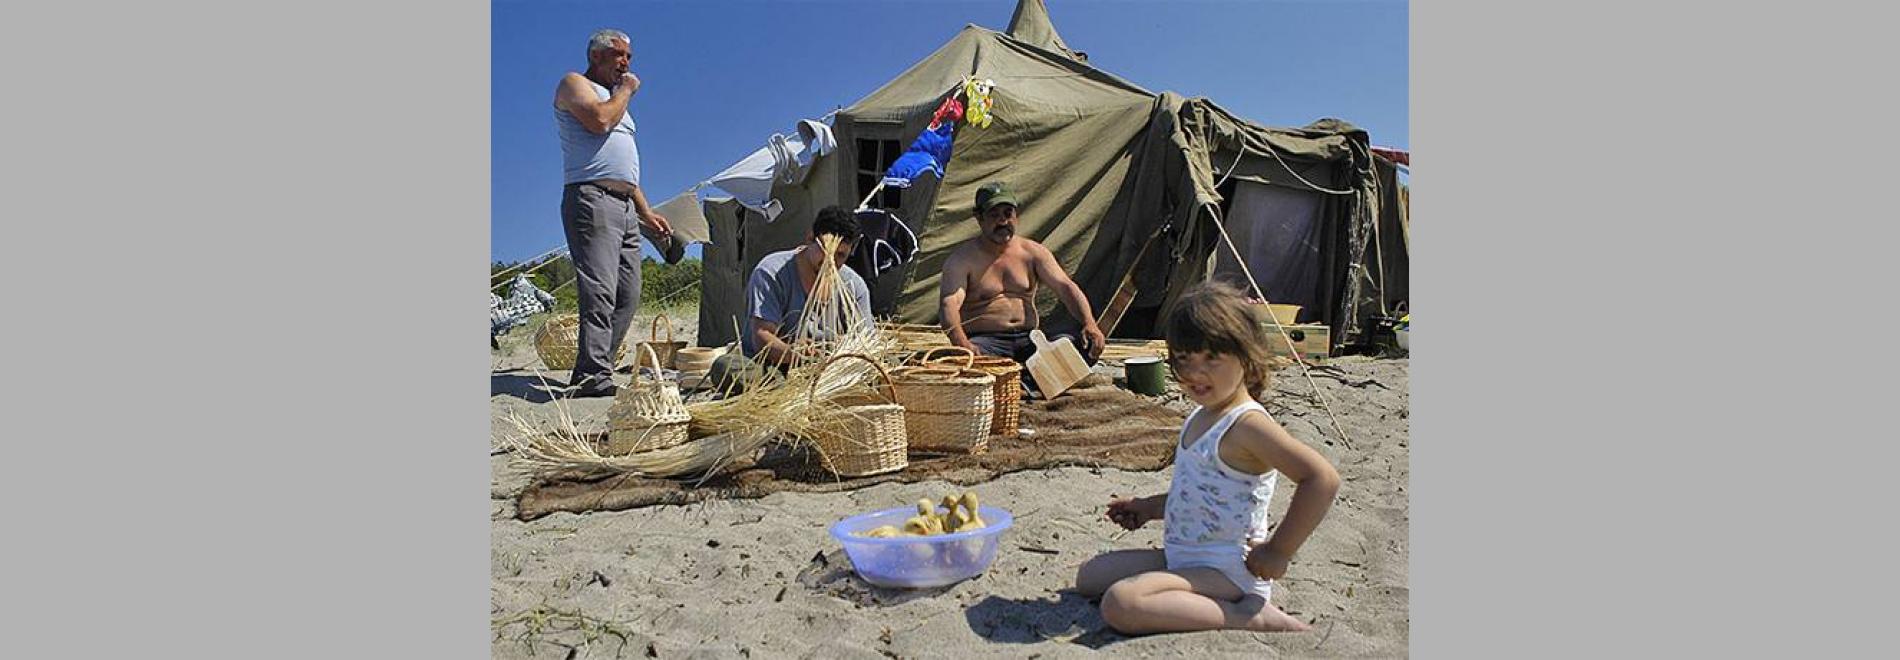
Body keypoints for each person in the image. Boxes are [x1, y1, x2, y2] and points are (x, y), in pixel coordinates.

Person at [1072, 280, 1341, 635]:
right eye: (1184, 360)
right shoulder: (1202, 415)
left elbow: (1321, 479)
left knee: (1122, 603)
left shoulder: (1247, 424)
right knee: (1090, 576)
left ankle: (1249, 616)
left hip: (1227, 570)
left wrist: (1279, 551)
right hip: (1184, 556)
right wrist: (1149, 507)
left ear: (1245, 356)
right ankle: (1186, 592)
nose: (1195, 374)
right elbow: (1201, 494)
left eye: (1212, 359)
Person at [552, 28, 676, 398]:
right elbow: (600, 122)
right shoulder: (575, 84)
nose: (626, 63)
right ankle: (591, 374)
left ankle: (599, 367)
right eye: (620, 55)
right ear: (597, 56)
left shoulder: (615, 98)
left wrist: (646, 210)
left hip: (623, 204)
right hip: (591, 198)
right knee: (600, 289)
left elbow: (624, 165)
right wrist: (627, 90)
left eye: (629, 57)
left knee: (628, 292)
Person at [938, 182, 1107, 371]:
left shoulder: (1032, 252)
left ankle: (1029, 377)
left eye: (1007, 214)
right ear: (979, 217)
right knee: (971, 364)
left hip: (1030, 340)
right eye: (994, 215)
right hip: (986, 343)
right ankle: (1024, 378)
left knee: (1081, 347)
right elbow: (949, 304)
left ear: (1016, 216)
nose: (1002, 221)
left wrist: (1089, 323)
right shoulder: (962, 259)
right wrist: (962, 343)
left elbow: (1065, 287)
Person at [704, 206, 873, 393]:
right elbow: (762, 336)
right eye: (825, 251)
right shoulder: (772, 272)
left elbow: (865, 340)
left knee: (890, 364)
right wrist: (794, 354)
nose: (830, 261)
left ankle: (805, 391)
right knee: (727, 368)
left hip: (831, 367)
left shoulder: (854, 285)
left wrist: (837, 350)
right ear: (810, 239)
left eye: (840, 255)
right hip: (773, 365)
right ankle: (793, 392)